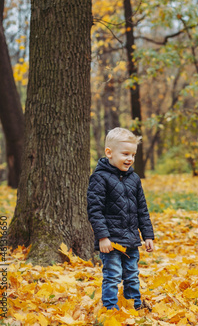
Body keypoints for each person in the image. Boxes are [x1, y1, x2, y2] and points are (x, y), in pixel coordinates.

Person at [87, 127, 155, 311]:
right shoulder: (99, 178)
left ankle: (134, 305)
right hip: (111, 242)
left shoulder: (134, 179)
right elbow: (95, 210)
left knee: (132, 275)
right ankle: (111, 309)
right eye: (125, 153)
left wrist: (148, 235)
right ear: (109, 152)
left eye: (132, 154)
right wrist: (102, 237)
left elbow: (142, 209)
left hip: (132, 240)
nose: (130, 159)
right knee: (112, 275)